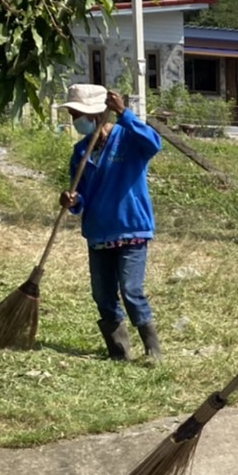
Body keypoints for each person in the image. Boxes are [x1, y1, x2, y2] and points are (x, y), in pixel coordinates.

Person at [56, 84, 164, 363]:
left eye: (77, 114)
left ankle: (153, 351)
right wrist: (71, 200)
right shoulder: (81, 151)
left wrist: (124, 113)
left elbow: (154, 143)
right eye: (72, 115)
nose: (74, 121)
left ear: (95, 114)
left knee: (131, 290)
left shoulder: (128, 139)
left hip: (131, 228)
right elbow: (81, 198)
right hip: (99, 233)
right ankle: (119, 352)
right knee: (103, 295)